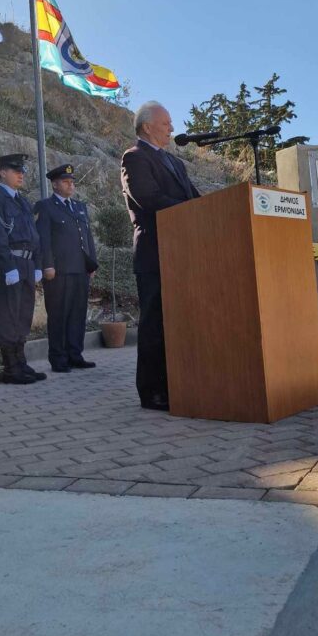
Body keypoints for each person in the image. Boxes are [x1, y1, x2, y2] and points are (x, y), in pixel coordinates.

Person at [121, 102, 200, 411]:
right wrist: (188, 210)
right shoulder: (135, 157)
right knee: (155, 323)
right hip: (155, 252)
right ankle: (152, 391)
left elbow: (194, 199)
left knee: (178, 321)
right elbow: (149, 198)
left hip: (181, 253)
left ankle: (178, 382)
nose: (171, 127)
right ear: (146, 127)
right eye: (165, 123)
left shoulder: (174, 163)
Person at [0, 154, 46, 385]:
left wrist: (37, 264)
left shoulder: (23, 201)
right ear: (2, 173)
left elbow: (34, 236)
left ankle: (21, 362)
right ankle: (10, 368)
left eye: (22, 171)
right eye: (15, 170)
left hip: (27, 264)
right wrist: (8, 267)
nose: (21, 174)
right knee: (9, 316)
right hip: (9, 265)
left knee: (23, 314)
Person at [34, 164, 98, 373]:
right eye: (66, 182)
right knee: (59, 315)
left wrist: (91, 263)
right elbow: (43, 239)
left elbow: (87, 237)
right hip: (59, 271)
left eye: (72, 182)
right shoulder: (46, 206)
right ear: (54, 184)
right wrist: (47, 265)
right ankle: (58, 358)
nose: (71, 185)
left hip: (80, 269)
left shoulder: (79, 206)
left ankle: (75, 354)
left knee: (77, 314)